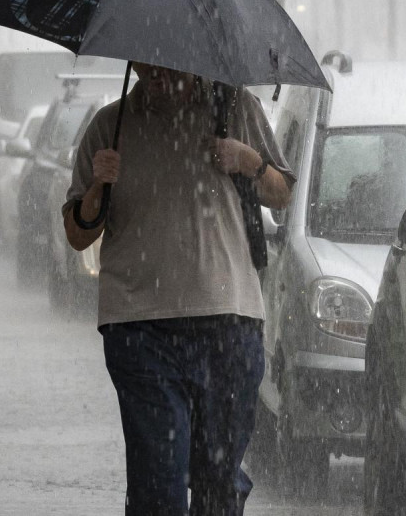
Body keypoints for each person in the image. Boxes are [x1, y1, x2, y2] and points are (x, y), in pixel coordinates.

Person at [61, 61, 293, 516]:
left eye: (170, 68)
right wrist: (96, 187)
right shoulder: (110, 127)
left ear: (191, 55)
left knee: (217, 483)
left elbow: (281, 192)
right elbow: (77, 233)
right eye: (147, 67)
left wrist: (247, 160)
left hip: (228, 321)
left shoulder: (236, 107)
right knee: (158, 486)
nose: (158, 77)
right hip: (138, 327)